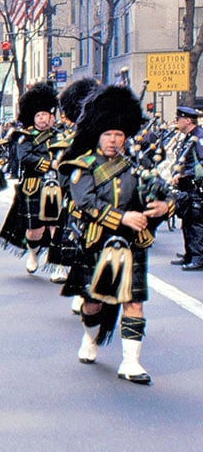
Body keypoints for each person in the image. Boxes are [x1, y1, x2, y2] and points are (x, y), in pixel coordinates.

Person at [58, 85, 172, 384]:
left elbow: (161, 193)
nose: (113, 140)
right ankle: (91, 337)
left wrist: (164, 207)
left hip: (132, 243)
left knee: (133, 302)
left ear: (126, 136)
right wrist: (123, 216)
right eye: (108, 134)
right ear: (97, 134)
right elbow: (86, 202)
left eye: (119, 134)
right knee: (93, 302)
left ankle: (131, 362)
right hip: (97, 241)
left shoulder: (138, 165)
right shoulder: (82, 167)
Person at [0, 83, 65, 276]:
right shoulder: (24, 137)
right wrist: (50, 164)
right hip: (33, 187)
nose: (44, 118)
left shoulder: (61, 137)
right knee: (34, 231)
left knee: (56, 227)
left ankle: (58, 266)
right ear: (33, 117)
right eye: (39, 115)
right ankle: (34, 253)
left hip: (56, 187)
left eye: (47, 114)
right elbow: (25, 158)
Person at [169, 106, 203, 270]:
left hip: (195, 187)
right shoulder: (188, 137)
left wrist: (184, 175)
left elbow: (201, 164)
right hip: (186, 187)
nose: (177, 122)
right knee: (187, 220)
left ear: (188, 120)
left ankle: (198, 257)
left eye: (179, 119)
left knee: (195, 222)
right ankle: (190, 253)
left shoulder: (199, 138)